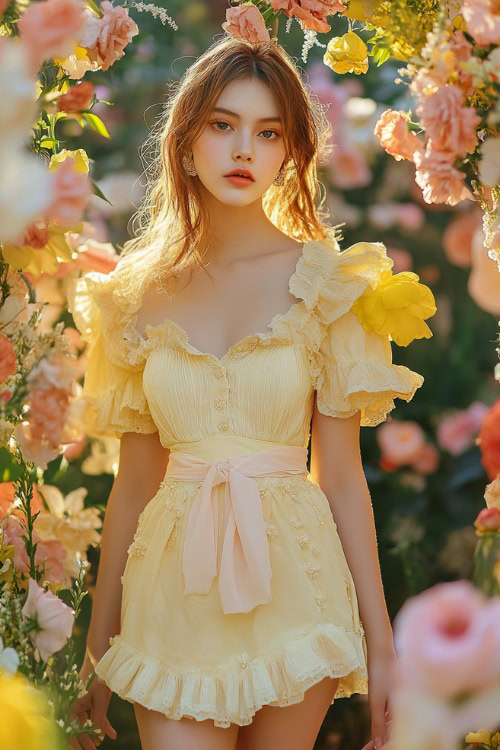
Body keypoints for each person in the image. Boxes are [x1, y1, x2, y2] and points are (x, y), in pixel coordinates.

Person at [67, 35, 430, 750]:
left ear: (291, 151)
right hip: (171, 596)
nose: (244, 150)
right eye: (223, 124)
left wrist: (385, 648)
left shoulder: (329, 284)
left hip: (297, 582)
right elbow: (134, 485)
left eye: (268, 133)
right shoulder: (135, 296)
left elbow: (344, 480)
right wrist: (96, 652)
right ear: (187, 137)